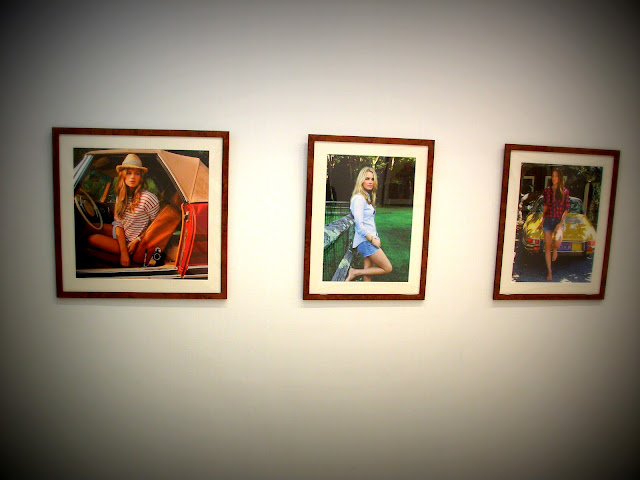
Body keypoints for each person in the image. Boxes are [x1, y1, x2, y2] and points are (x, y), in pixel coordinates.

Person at [87, 154, 160, 267]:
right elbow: (119, 224)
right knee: (88, 227)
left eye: (137, 173)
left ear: (141, 177)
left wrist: (132, 245)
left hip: (131, 241)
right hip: (123, 233)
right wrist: (123, 250)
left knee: (92, 239)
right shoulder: (121, 196)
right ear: (123, 175)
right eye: (129, 173)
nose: (132, 177)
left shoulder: (148, 198)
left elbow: (156, 227)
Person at [346, 167, 392, 281]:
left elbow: (369, 223)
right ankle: (355, 272)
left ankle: (365, 291)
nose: (371, 181)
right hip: (366, 241)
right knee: (387, 268)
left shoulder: (365, 196)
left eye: (372, 179)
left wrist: (376, 236)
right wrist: (372, 240)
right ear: (361, 180)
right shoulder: (359, 198)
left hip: (369, 239)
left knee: (368, 273)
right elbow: (359, 224)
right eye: (367, 178)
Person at [537, 167, 570, 281]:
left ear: (560, 177)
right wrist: (542, 221)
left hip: (558, 221)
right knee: (547, 247)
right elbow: (545, 207)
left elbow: (566, 209)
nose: (554, 178)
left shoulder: (565, 191)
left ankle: (555, 249)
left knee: (557, 241)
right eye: (553, 176)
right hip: (548, 221)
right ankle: (549, 272)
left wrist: (560, 223)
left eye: (556, 176)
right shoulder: (547, 191)